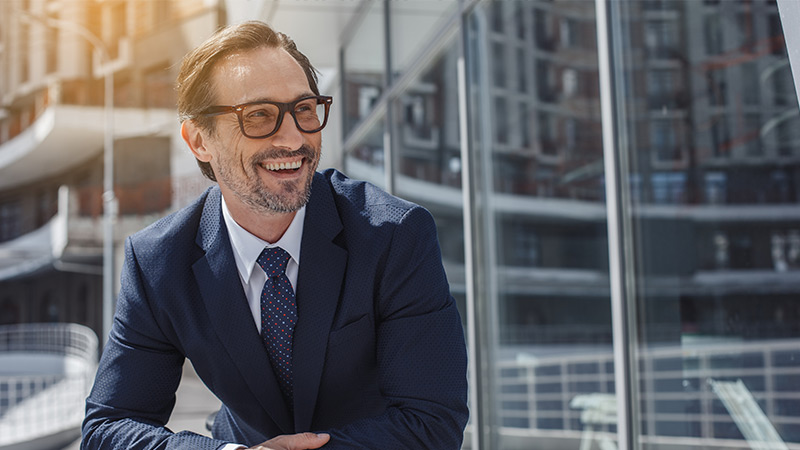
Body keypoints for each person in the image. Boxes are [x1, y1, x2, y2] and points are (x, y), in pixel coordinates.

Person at [81, 20, 468, 450]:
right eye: (259, 116)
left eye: (304, 109)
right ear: (198, 140)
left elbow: (432, 422)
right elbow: (108, 428)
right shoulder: (157, 262)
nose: (294, 138)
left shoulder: (394, 235)